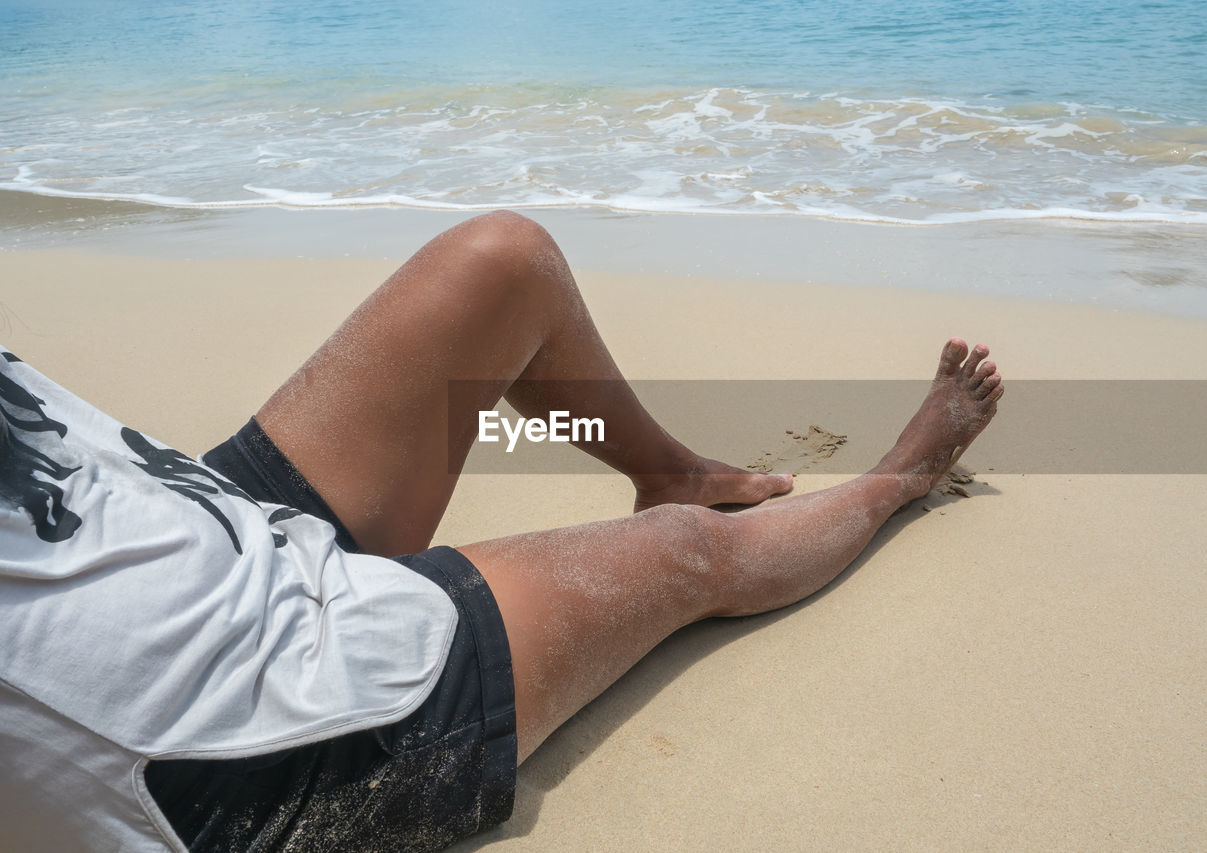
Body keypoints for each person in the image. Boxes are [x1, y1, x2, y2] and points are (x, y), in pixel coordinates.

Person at [0, 211, 1003, 852]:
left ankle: (667, 469)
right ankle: (898, 479)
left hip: (184, 516)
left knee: (503, 263)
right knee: (685, 552)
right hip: (238, 730)